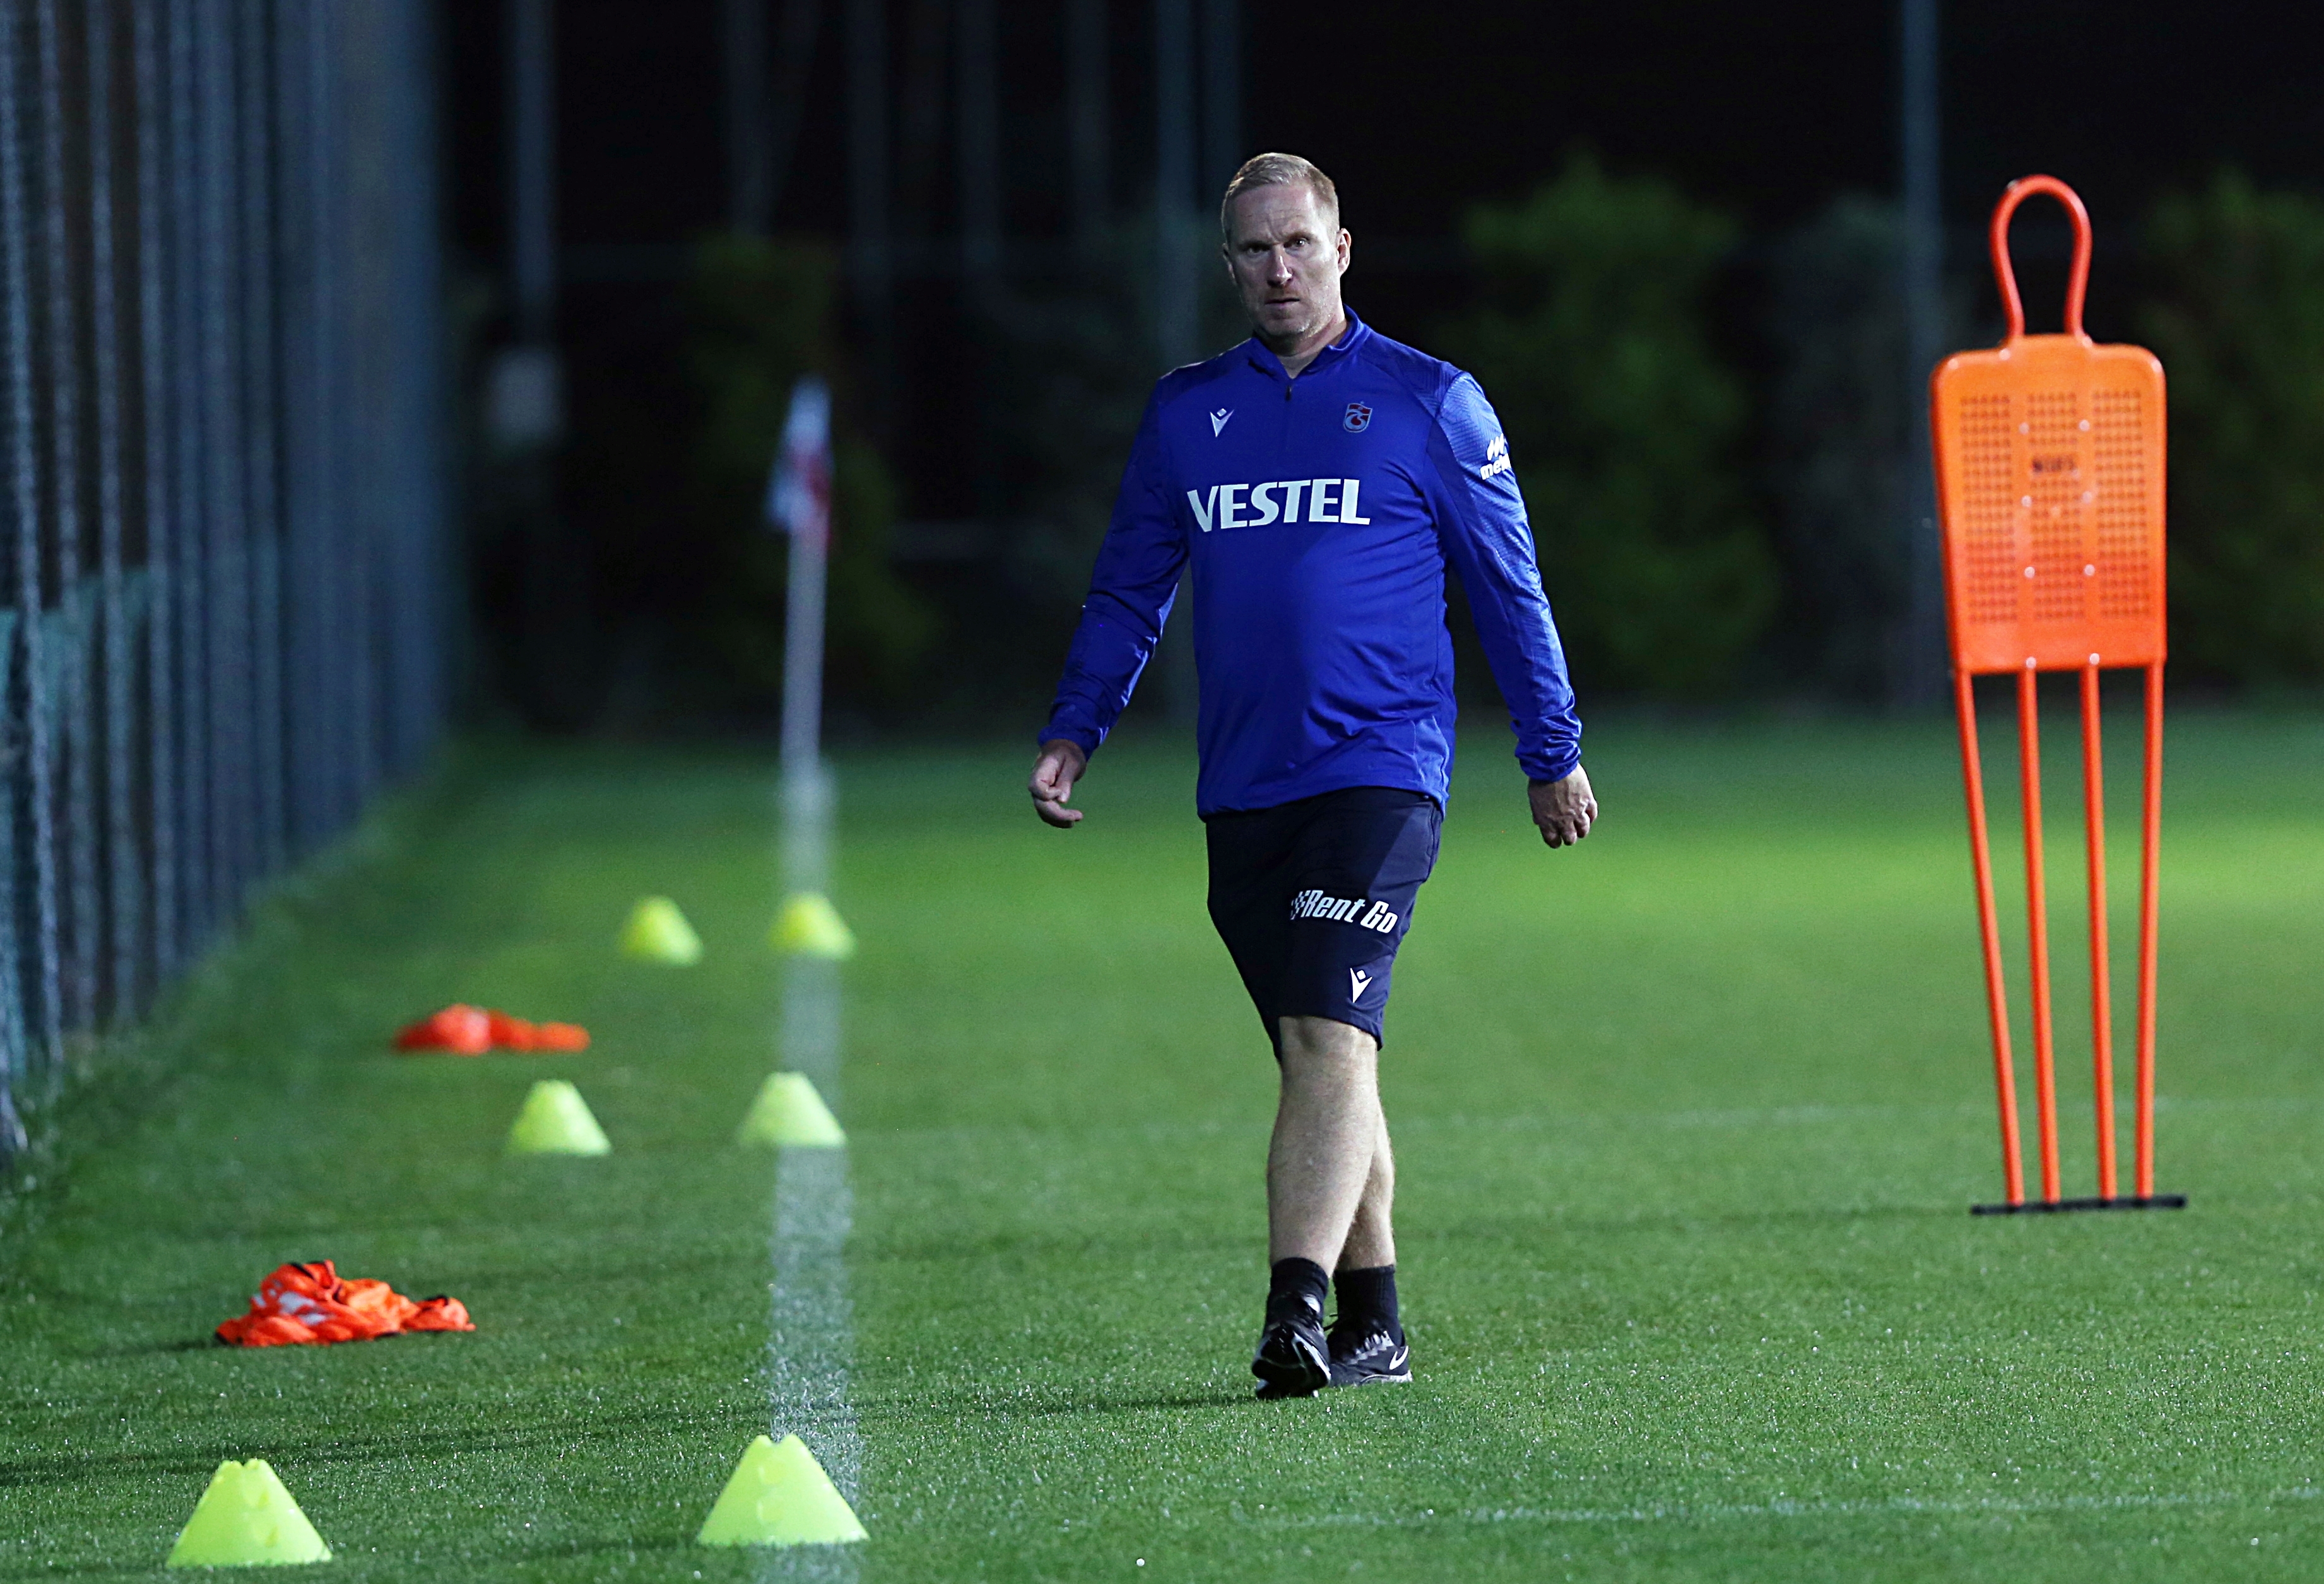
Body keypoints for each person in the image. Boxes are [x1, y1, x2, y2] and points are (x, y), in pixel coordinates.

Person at [1029, 153, 1596, 1399]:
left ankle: (1295, 1309)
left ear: (1342, 249)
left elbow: (1509, 587)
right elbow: (1129, 588)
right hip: (1244, 786)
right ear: (1229, 265)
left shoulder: (1430, 401)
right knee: (1320, 1050)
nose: (1278, 268)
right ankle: (1376, 1324)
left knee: (1329, 1032)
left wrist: (1550, 751)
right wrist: (1079, 726)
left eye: (1298, 244)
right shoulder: (1187, 413)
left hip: (1381, 771)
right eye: (1255, 249)